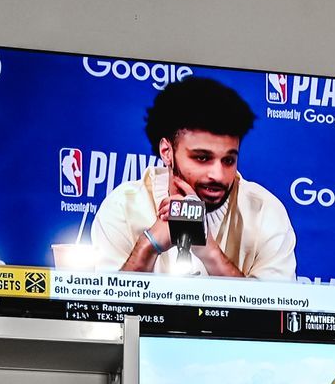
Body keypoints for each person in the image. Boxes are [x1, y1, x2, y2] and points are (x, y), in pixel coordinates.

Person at [78, 76, 298, 279]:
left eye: (228, 160)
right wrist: (149, 245)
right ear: (166, 152)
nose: (218, 175)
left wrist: (209, 251)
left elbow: (276, 316)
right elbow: (106, 313)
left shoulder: (265, 211)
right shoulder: (122, 207)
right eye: (202, 158)